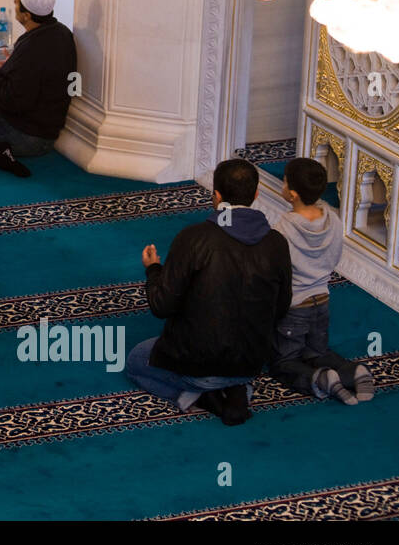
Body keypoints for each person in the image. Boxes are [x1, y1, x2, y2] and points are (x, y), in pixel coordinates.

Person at [126, 159, 293, 426]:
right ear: (256, 195)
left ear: (216, 196)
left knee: (136, 360)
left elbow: (161, 305)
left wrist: (153, 270)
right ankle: (235, 389)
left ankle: (204, 398)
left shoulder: (194, 238)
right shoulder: (277, 243)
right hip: (251, 363)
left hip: (197, 365)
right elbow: (282, 308)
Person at [269, 157, 373, 404]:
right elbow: (335, 257)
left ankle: (321, 379)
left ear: (292, 194)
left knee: (285, 361)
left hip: (295, 307)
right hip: (322, 299)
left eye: (283, 182)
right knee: (317, 351)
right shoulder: (334, 220)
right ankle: (354, 372)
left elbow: (278, 272)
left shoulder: (283, 230)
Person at [0, 0, 77, 178]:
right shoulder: (61, 33)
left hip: (27, 136)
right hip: (45, 131)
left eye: (15, 3)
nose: (13, 7)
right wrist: (9, 66)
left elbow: (12, 101)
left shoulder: (32, 48)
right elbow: (39, 75)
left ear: (27, 15)